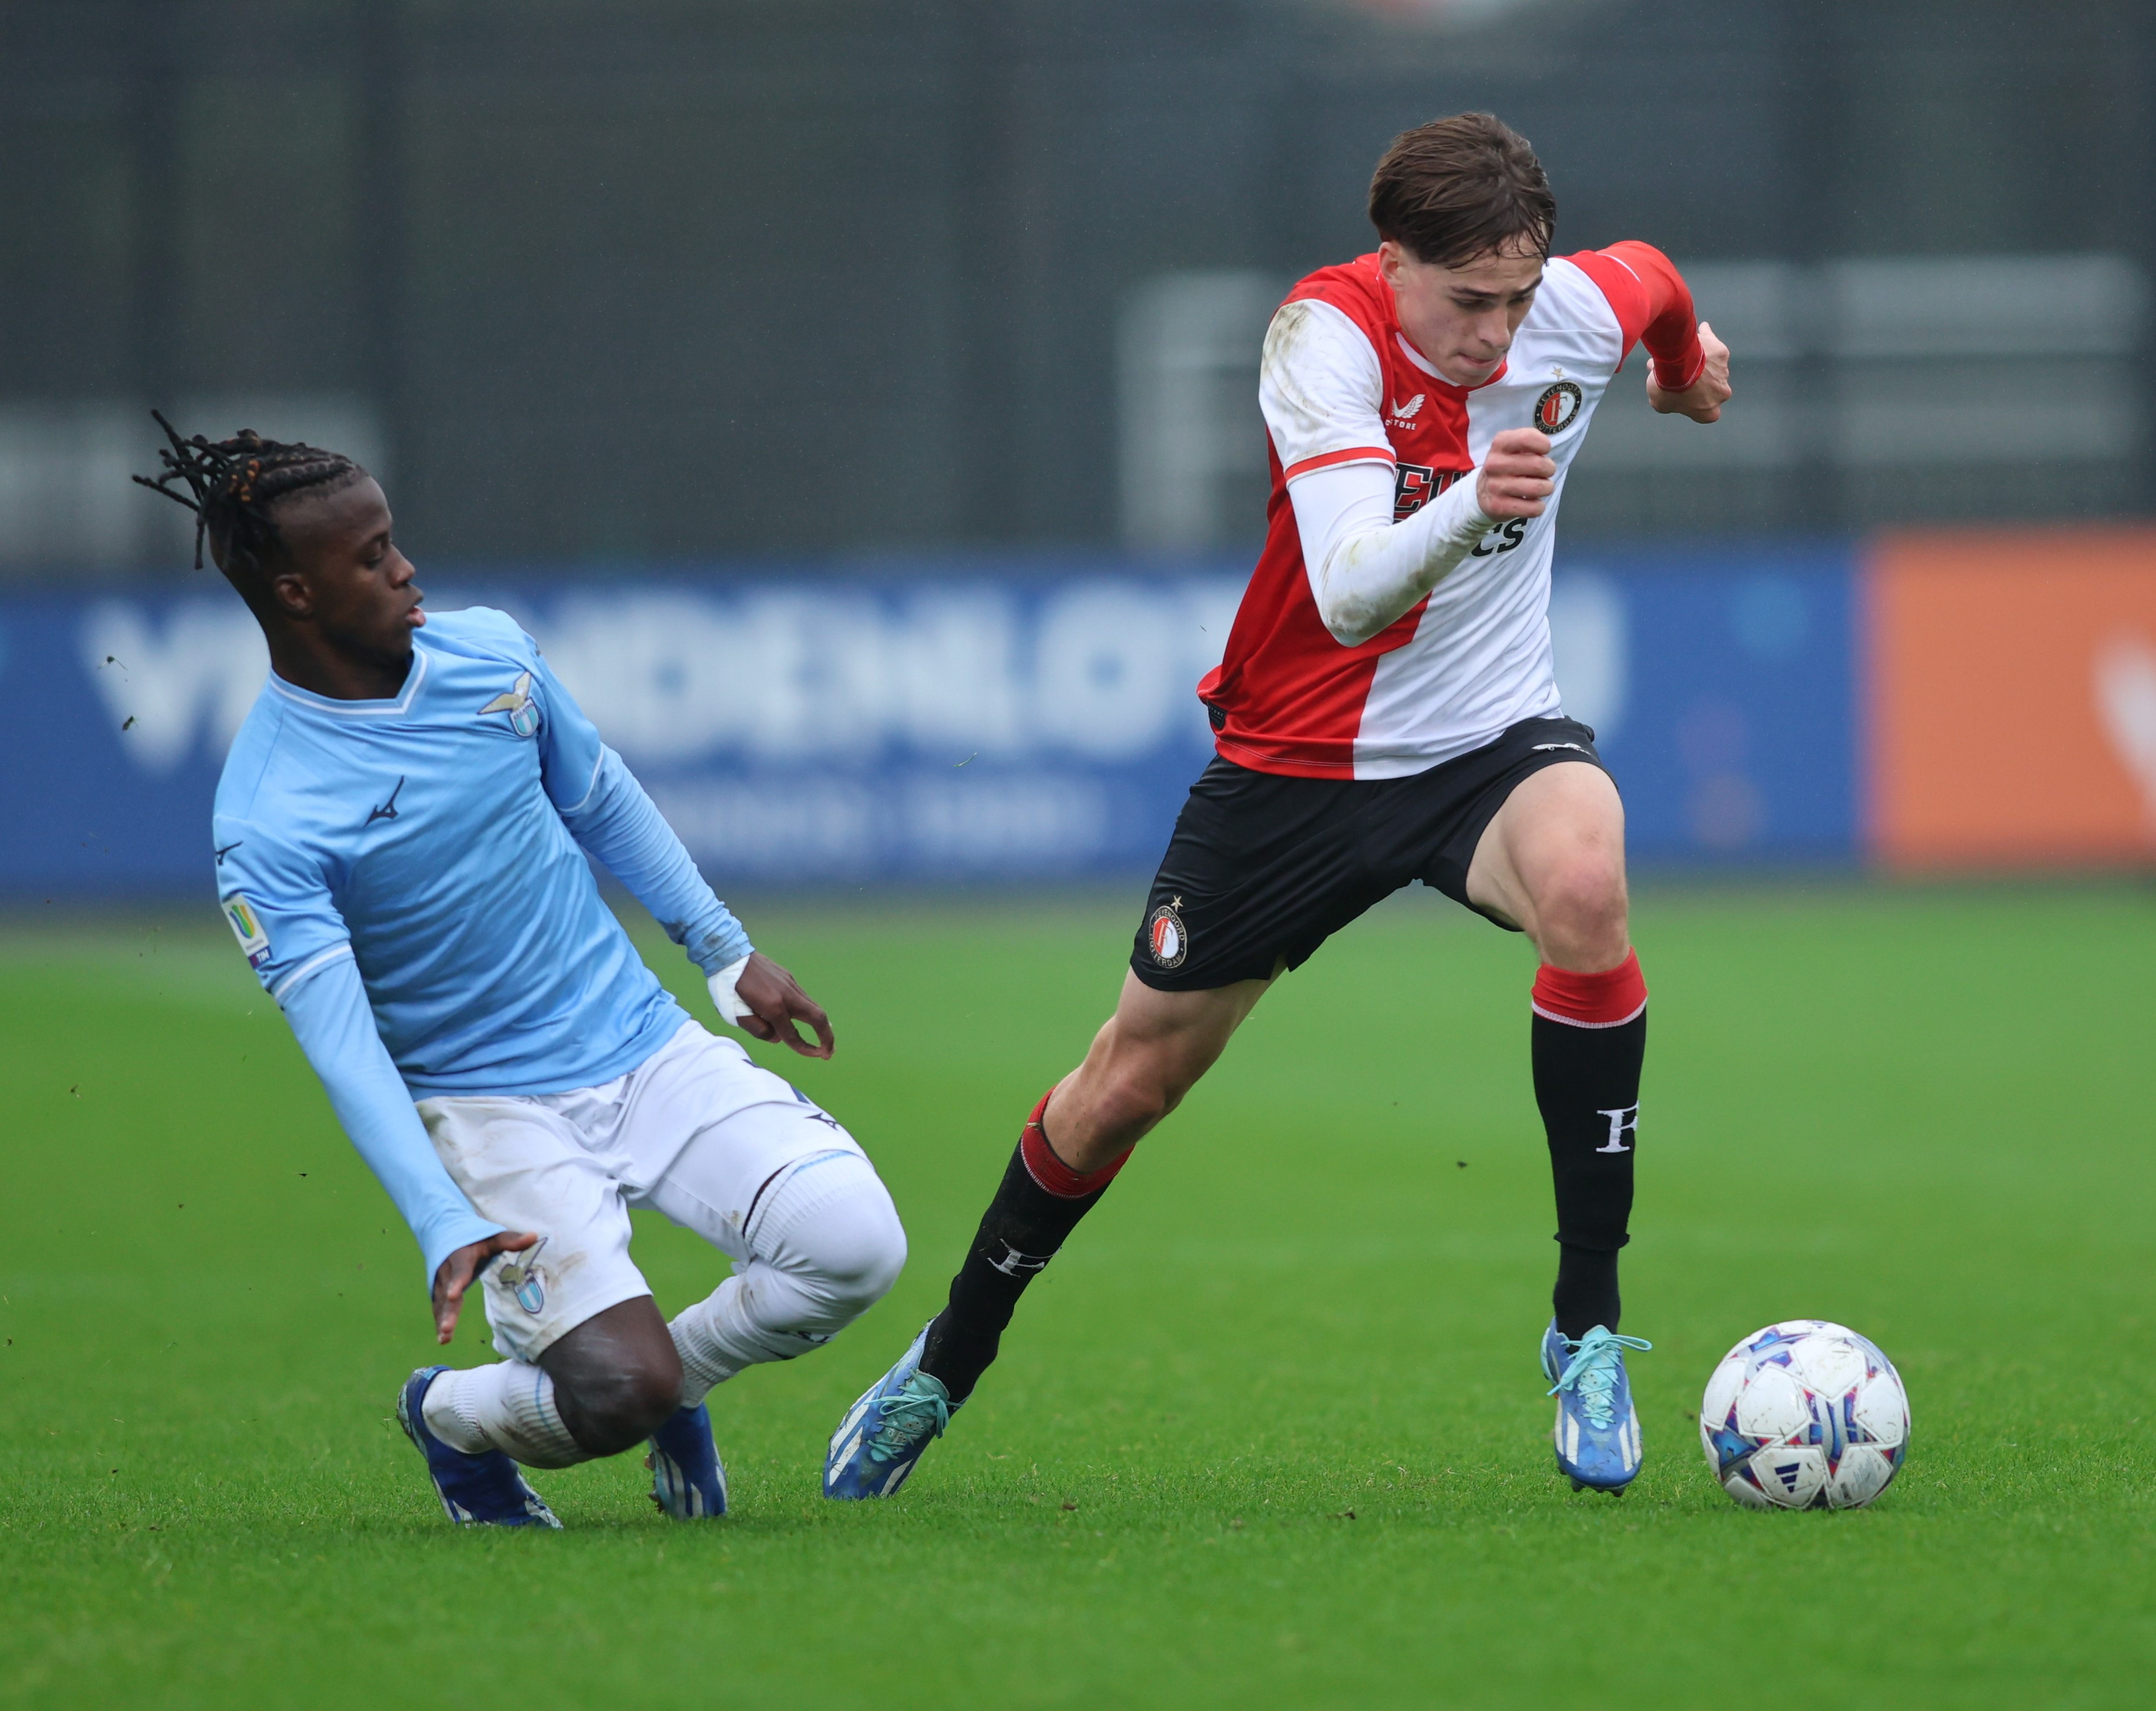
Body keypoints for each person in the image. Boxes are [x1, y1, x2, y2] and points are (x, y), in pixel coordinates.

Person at [824, 112, 1730, 1501]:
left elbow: (1656, 282)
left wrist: (1685, 368)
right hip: (1295, 766)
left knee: (1589, 885)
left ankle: (1587, 1331)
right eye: (1467, 301)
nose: (1498, 334)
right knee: (1126, 1085)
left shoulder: (1574, 307)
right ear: (1395, 262)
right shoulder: (1325, 340)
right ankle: (948, 1358)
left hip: (1488, 742)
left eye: (1518, 299)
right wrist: (1475, 508)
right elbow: (1355, 583)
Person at [136, 418, 907, 1527]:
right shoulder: (266, 817)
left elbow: (598, 799)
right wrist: (437, 1217)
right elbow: (344, 1043)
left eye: (393, 540)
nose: (404, 569)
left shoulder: (491, 653)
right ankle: (449, 1417)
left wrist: (725, 950)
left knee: (855, 1247)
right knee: (615, 1392)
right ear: (296, 595)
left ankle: (663, 1388)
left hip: (643, 1045)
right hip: (491, 1111)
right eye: (369, 557)